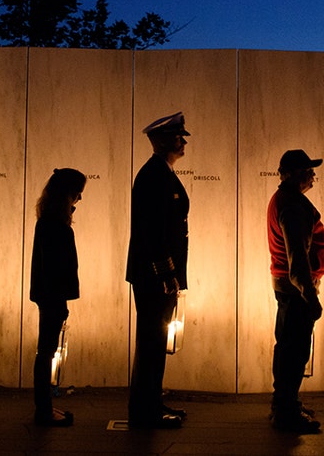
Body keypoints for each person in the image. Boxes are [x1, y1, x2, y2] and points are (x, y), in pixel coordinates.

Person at [126, 112, 190, 429]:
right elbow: (151, 232)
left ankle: (151, 403)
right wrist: (166, 273)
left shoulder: (161, 173)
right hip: (154, 275)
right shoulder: (153, 175)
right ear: (163, 141)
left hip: (159, 274)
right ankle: (145, 410)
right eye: (178, 137)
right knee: (151, 341)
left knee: (155, 341)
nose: (183, 141)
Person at [267, 149, 324, 434]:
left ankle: (285, 404)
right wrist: (309, 294)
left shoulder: (288, 200)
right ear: (290, 175)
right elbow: (298, 257)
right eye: (307, 171)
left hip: (289, 287)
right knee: (294, 351)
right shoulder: (292, 206)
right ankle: (286, 411)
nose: (312, 175)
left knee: (288, 348)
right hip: (296, 290)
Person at [29, 168, 86, 427]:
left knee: (47, 351)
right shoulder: (54, 224)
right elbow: (55, 268)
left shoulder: (50, 220)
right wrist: (60, 302)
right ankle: (43, 410)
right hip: (52, 296)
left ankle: (46, 406)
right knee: (46, 352)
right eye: (77, 193)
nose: (79, 199)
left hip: (50, 296)